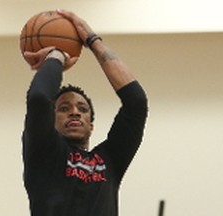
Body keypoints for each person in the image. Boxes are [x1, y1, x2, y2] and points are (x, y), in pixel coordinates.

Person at [22, 9, 148, 216]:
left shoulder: (110, 159)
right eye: (64, 108)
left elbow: (136, 102)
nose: (74, 112)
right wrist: (57, 55)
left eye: (82, 109)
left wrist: (93, 41)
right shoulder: (43, 151)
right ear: (50, 120)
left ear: (91, 125)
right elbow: (39, 98)